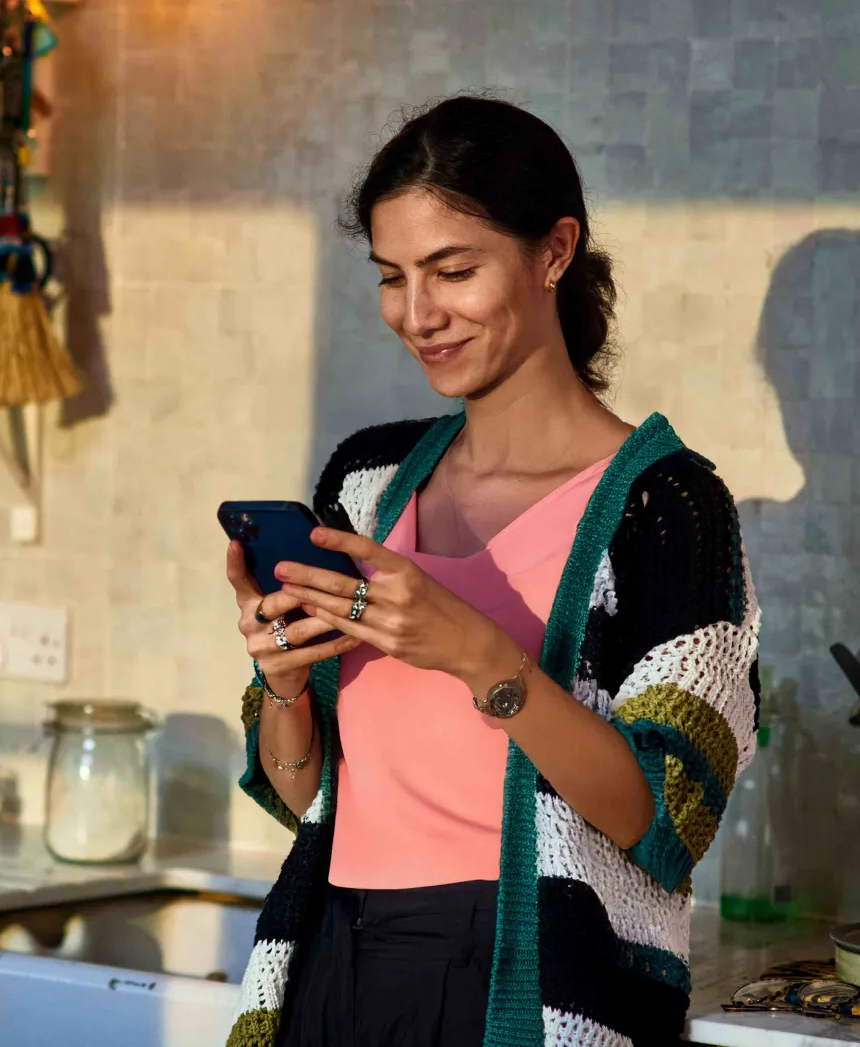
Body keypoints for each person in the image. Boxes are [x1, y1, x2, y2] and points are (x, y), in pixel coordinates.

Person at [223, 96, 761, 1047]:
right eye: (393, 278)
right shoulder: (369, 480)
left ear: (555, 251)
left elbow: (663, 819)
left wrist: (481, 656)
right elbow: (305, 798)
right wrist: (284, 680)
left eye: (453, 270)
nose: (418, 315)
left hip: (529, 974)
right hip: (333, 962)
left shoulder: (667, 510)